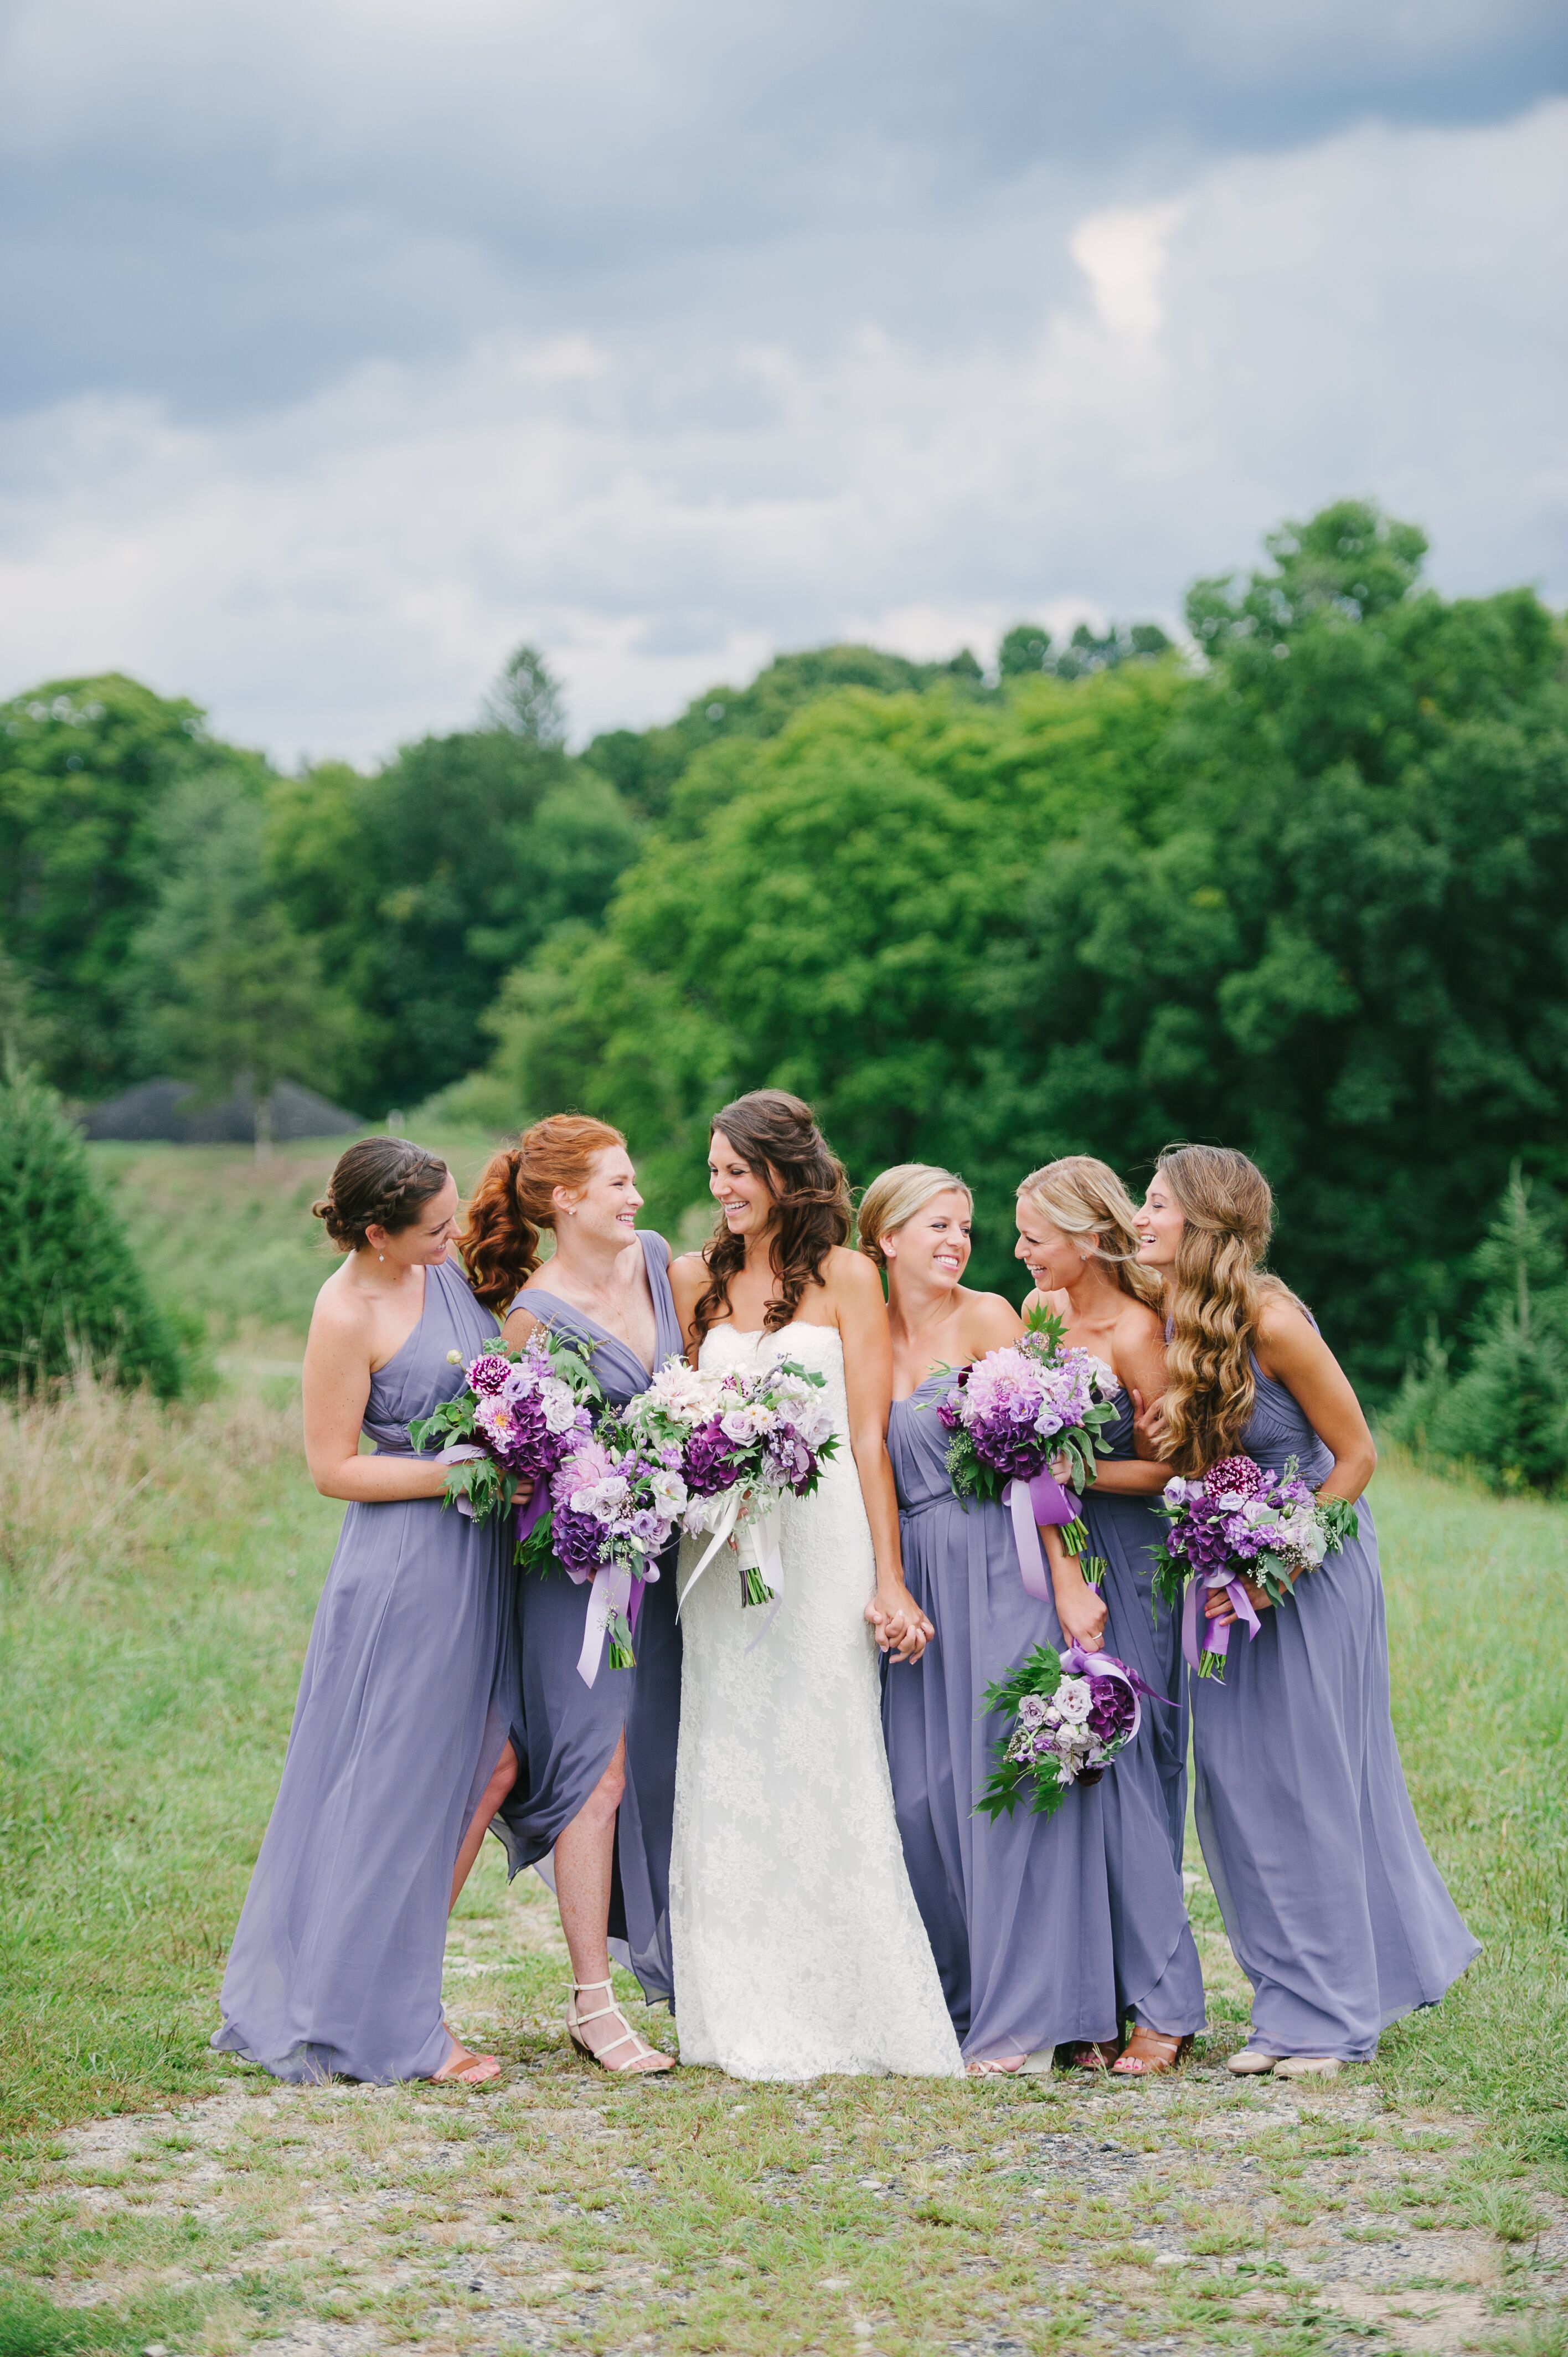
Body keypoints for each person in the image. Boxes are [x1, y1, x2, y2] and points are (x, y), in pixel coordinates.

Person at [1137, 1144, 1479, 2078]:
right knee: (1241, 1791)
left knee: (1311, 1782)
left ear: (1203, 1218)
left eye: (1158, 1202)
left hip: (1312, 1570)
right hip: (1223, 1577)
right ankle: (1285, 2010)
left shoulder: (1272, 1318)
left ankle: (1333, 2021)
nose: (1142, 1216)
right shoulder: (1174, 1318)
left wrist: (1280, 1559)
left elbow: (1358, 1454)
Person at [213, 1139, 522, 2087]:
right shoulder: (344, 1311)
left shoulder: (440, 1271)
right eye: (433, 1228)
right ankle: (388, 2031)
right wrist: (462, 1471)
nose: (450, 1236)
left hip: (481, 1555)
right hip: (408, 1567)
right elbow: (332, 1468)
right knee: (396, 1788)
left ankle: (370, 1992)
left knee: (487, 1764)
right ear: (378, 1234)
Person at [667, 1092, 962, 2080]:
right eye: (713, 1172)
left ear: (787, 1174)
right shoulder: (691, 1277)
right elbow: (683, 1413)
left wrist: (891, 1579)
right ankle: (737, 2002)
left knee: (826, 1743)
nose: (722, 1189)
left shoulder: (849, 1276)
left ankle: (851, 2000)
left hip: (824, 1537)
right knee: (730, 1753)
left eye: (737, 1172)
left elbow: (869, 1436)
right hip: (722, 1551)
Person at [865, 1163, 1127, 2074]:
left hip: (1001, 1560)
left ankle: (1026, 2020)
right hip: (918, 1582)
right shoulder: (864, 1334)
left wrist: (1065, 1581)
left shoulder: (991, 1319)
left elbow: (1038, 1464)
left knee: (1011, 1783)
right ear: (887, 1238)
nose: (957, 1241)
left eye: (965, 1227)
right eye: (937, 1225)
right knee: (924, 1796)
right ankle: (956, 1996)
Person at [464, 1116, 682, 2076]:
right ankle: (594, 2002)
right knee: (598, 1771)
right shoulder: (532, 1319)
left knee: (665, 1761)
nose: (638, 1198)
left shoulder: (660, 1261)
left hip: (669, 1561)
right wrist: (596, 1502)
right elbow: (522, 1461)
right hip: (579, 1572)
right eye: (619, 1184)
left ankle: (690, 1964)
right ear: (564, 1201)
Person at [1015, 1157, 1206, 2077]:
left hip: (1133, 1562)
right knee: (1078, 1772)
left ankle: (1165, 2006)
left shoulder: (1140, 1334)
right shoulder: (1041, 1318)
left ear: (1087, 1239)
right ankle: (1095, 1994)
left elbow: (1179, 1470)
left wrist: (1072, 1476)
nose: (1018, 1254)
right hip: (1059, 1563)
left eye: (1033, 1238)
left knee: (1135, 1772)